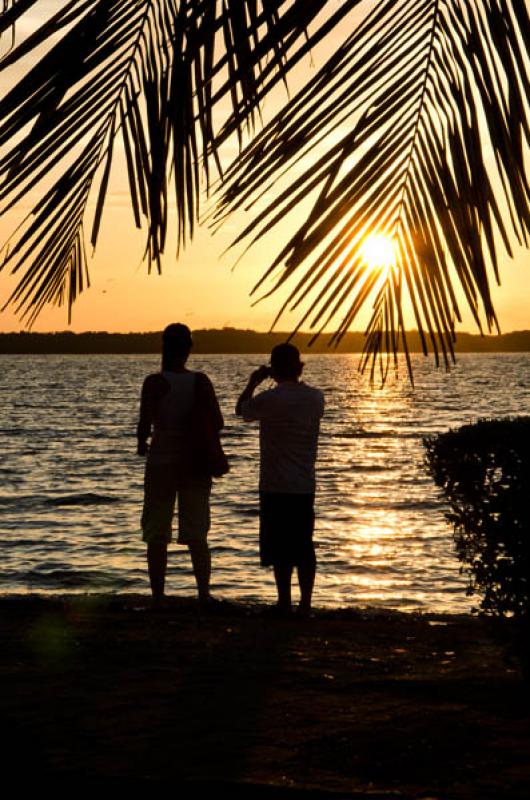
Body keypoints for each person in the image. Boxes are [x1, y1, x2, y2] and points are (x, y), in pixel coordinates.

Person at [137, 323, 224, 609]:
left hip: (161, 460)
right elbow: (218, 422)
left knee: (157, 532)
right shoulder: (201, 381)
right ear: (189, 348)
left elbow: (143, 426)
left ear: (164, 346)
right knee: (197, 532)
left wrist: (142, 445)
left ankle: (158, 597)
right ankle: (203, 594)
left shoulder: (154, 382)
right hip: (195, 462)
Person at [236, 343, 324, 616]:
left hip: (274, 484)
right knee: (304, 546)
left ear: (274, 369)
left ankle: (284, 602)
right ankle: (305, 604)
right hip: (303, 484)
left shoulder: (269, 399)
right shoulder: (316, 398)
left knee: (280, 549)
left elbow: (242, 410)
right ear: (299, 367)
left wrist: (253, 382)